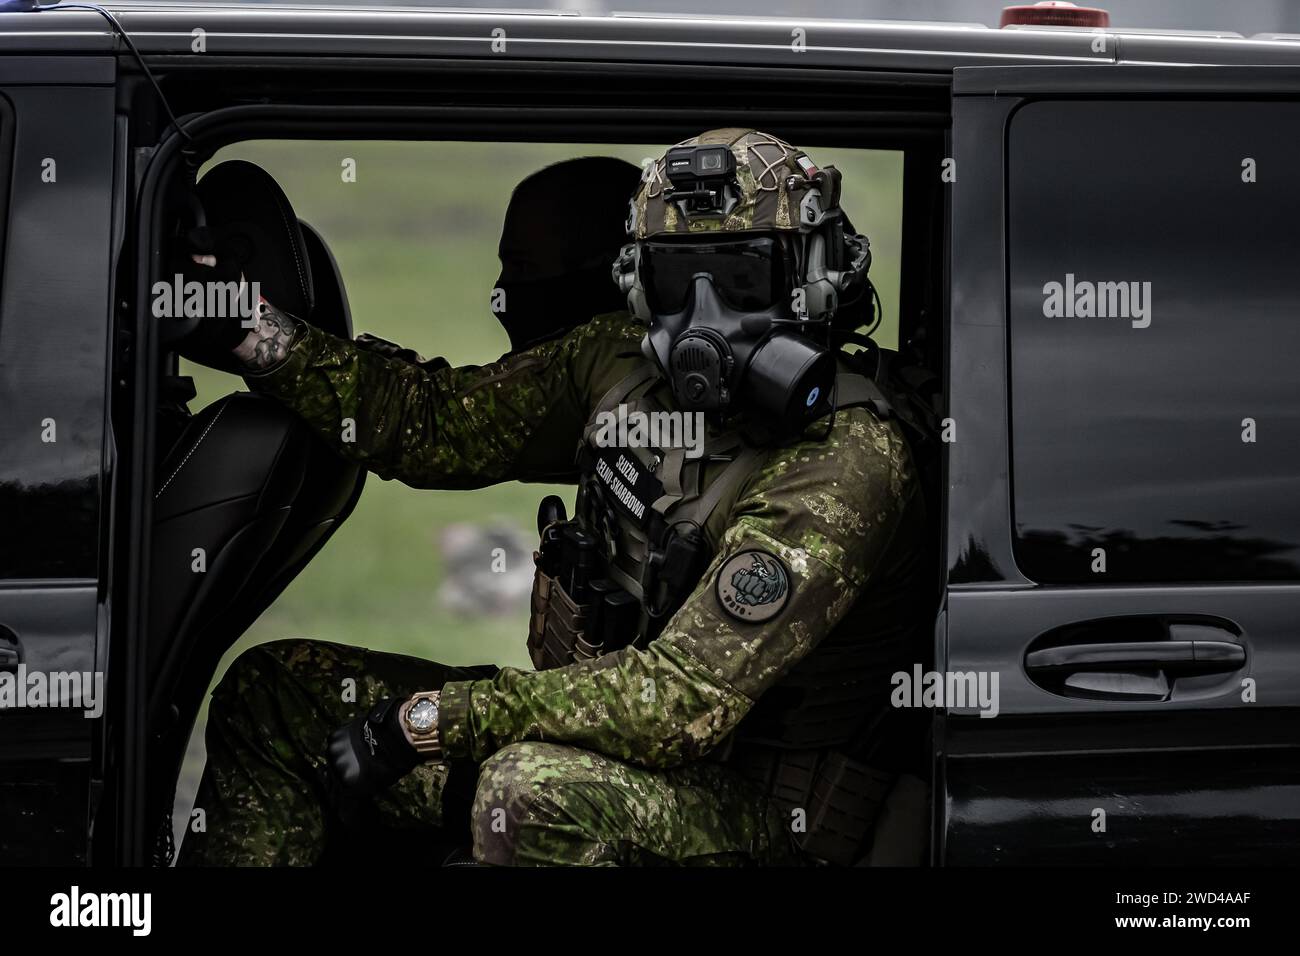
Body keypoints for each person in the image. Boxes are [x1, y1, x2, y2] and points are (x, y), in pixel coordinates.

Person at [177, 130, 928, 867]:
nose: (706, 317)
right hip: (606, 752)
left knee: (523, 790)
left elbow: (682, 698)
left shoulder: (845, 461)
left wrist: (438, 720)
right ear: (637, 283)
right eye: (677, 281)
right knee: (276, 696)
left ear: (815, 281)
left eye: (741, 279)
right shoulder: (617, 363)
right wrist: (254, 332)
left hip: (756, 811)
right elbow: (433, 420)